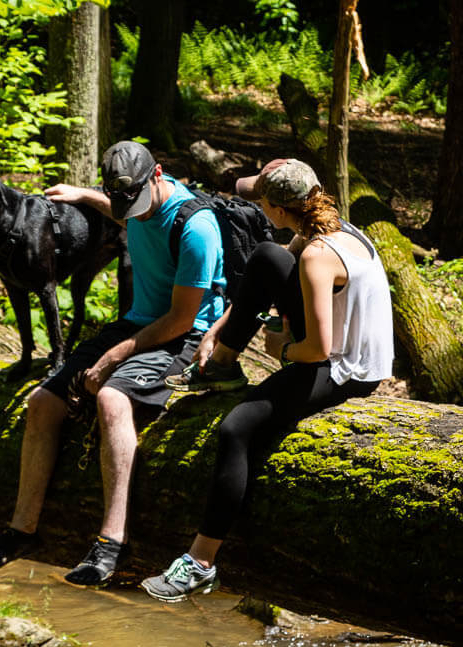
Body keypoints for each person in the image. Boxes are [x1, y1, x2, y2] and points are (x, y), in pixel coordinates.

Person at [0, 140, 227, 587]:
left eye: (139, 202)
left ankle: (112, 541)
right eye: (123, 203)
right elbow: (114, 207)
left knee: (111, 397)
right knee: (42, 403)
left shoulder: (196, 227)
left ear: (159, 174)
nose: (134, 213)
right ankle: (22, 530)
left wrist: (115, 355)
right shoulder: (126, 201)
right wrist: (81, 193)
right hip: (136, 322)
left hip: (185, 335)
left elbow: (182, 318)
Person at [140, 158, 392, 602]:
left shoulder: (318, 255)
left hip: (348, 371)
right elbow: (269, 275)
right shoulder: (329, 228)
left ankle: (199, 562)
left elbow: (317, 349)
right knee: (267, 256)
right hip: (338, 351)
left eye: (261, 199)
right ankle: (221, 364)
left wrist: (281, 351)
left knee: (237, 428)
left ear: (276, 209)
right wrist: (220, 330)